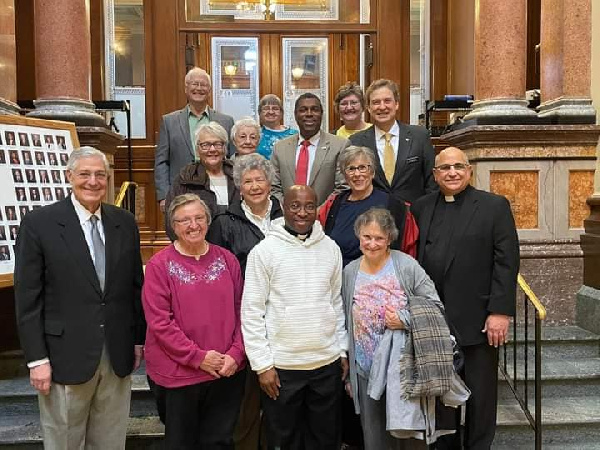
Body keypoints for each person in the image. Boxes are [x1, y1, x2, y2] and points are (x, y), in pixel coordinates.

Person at [14, 146, 145, 449]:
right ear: (69, 176)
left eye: (100, 174)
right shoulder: (40, 223)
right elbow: (28, 298)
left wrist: (137, 339)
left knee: (110, 442)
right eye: (84, 174)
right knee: (64, 442)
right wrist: (37, 359)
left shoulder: (123, 222)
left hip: (116, 355)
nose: (93, 181)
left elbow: (134, 287)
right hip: (63, 357)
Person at [411, 147, 520, 449]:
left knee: (481, 397)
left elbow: (506, 261)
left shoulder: (493, 206)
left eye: (459, 166)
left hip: (479, 319)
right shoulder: (421, 207)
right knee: (441, 398)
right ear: (434, 175)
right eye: (444, 168)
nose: (452, 173)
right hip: (436, 322)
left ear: (470, 171)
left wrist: (500, 311)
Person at [342, 208, 469, 449]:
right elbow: (346, 321)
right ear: (358, 236)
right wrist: (349, 370)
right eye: (366, 237)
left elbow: (435, 306)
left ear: (389, 238)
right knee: (374, 439)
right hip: (365, 369)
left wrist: (404, 319)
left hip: (404, 371)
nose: (372, 243)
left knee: (409, 440)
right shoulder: (350, 272)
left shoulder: (406, 265)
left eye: (379, 238)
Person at [242, 185, 348, 449]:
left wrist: (342, 350)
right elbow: (252, 312)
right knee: (284, 440)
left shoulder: (331, 249)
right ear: (284, 207)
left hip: (326, 362)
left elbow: (336, 303)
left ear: (317, 208)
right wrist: (262, 365)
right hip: (282, 368)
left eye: (309, 206)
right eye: (295, 206)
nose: (302, 212)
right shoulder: (264, 252)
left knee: (324, 440)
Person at [143, 193, 245, 449]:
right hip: (179, 374)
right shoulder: (159, 265)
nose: (193, 225)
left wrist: (236, 353)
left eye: (199, 218)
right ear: (173, 226)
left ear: (208, 221)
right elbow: (160, 323)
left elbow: (244, 311)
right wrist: (198, 358)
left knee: (219, 442)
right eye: (184, 220)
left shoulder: (227, 259)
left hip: (226, 371)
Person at [207, 153, 283, 450]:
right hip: (243, 320)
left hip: (284, 320)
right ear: (238, 186)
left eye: (259, 180)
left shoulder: (287, 215)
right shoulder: (224, 223)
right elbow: (217, 276)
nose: (254, 186)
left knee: (281, 400)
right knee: (246, 403)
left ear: (270, 182)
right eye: (247, 181)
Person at [320, 145, 418, 266]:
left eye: (362, 168)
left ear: (372, 172)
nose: (357, 174)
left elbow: (408, 250)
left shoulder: (394, 206)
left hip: (379, 279)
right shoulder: (334, 204)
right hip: (338, 277)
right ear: (345, 175)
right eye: (351, 169)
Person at [155, 67, 235, 212]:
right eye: (194, 84)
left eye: (203, 85)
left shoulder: (226, 121)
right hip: (181, 191)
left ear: (209, 90)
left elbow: (232, 158)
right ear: (186, 88)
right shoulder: (169, 121)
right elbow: (162, 161)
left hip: (219, 193)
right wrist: (163, 196)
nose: (199, 88)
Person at [350, 79, 437, 204]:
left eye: (387, 101)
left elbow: (432, 180)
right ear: (368, 108)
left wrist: (426, 212)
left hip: (414, 216)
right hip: (372, 216)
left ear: (396, 104)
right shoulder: (356, 141)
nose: (382, 107)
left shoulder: (419, 136)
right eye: (375, 102)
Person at [271, 93, 349, 206]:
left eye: (314, 109)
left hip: (325, 219)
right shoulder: (280, 148)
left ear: (321, 114)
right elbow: (274, 187)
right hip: (286, 219)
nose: (309, 114)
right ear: (295, 115)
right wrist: (290, 212)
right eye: (303, 110)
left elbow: (342, 188)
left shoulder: (340, 146)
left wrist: (316, 213)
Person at [165, 121, 238, 241]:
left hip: (237, 248)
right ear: (197, 149)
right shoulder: (185, 178)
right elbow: (171, 220)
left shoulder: (238, 175)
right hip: (196, 247)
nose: (212, 149)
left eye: (218, 144)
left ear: (225, 148)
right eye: (206, 145)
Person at [256, 94, 297, 160]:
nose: (271, 112)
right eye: (266, 108)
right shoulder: (255, 135)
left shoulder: (294, 134)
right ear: (260, 113)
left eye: (275, 108)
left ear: (281, 113)